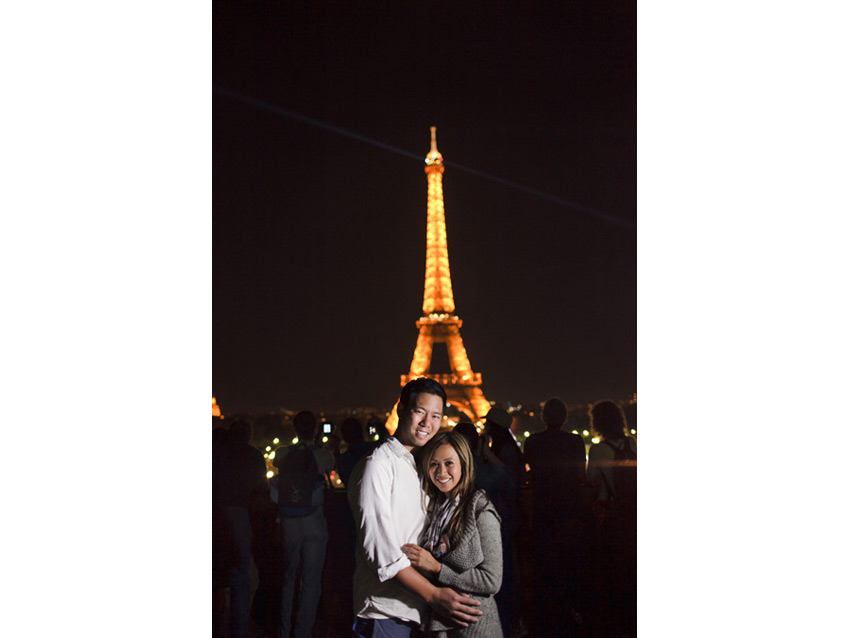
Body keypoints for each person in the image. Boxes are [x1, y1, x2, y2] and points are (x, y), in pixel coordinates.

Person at [347, 377, 483, 638]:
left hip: (416, 611)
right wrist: (434, 595)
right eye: (419, 412)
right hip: (385, 612)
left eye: (435, 416)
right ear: (400, 410)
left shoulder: (420, 466)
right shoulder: (378, 466)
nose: (427, 424)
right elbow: (381, 552)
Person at [402, 431, 504, 637]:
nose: (441, 472)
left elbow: (492, 581)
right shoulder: (436, 508)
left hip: (475, 628)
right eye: (434, 464)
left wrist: (437, 568)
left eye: (449, 463)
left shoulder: (481, 510)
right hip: (440, 624)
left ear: (464, 464)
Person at [523, 397, 589, 636]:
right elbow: (580, 473)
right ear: (565, 417)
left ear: (544, 417)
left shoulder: (533, 442)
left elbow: (527, 473)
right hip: (569, 507)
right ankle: (568, 611)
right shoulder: (575, 441)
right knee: (567, 560)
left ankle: (545, 614)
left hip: (542, 506)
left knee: (544, 562)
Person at [272, 410, 335, 638]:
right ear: (316, 429)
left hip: (289, 520)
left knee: (289, 578)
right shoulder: (322, 455)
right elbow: (330, 468)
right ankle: (303, 632)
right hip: (314, 521)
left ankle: (283, 630)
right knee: (311, 580)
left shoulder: (282, 454)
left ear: (294, 429)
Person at [585, 400, 637, 637]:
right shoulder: (632, 444)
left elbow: (593, 482)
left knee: (611, 570)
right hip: (633, 514)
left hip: (611, 516)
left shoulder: (598, 450)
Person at [213, 419, 268, 638]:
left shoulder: (217, 454)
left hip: (216, 513)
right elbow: (261, 490)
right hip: (239, 515)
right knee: (241, 577)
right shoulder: (253, 456)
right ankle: (239, 630)